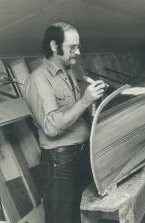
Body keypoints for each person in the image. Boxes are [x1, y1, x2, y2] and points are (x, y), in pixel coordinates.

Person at [24, 21, 106, 223]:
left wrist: (94, 103)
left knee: (78, 215)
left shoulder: (69, 71)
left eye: (78, 46)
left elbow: (73, 113)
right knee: (60, 219)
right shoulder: (39, 80)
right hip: (59, 162)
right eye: (72, 47)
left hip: (79, 155)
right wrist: (85, 100)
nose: (78, 51)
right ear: (54, 46)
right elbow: (51, 127)